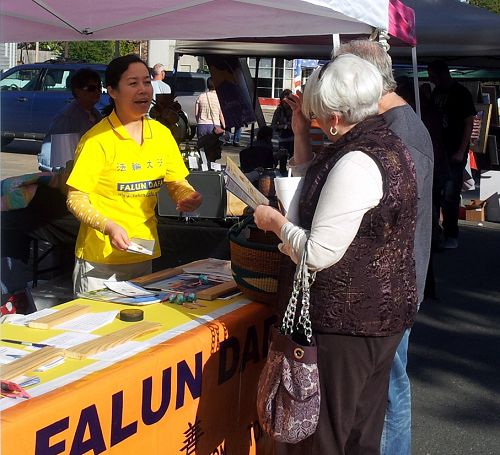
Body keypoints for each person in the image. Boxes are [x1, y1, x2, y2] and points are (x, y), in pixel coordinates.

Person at [254, 54, 418, 454]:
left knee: (323, 437)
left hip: (345, 320)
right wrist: (299, 137)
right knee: (359, 432)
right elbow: (315, 198)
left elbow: (317, 252)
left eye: (315, 114)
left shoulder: (357, 159)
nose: (314, 120)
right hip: (376, 316)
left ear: (333, 115)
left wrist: (274, 222)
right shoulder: (381, 141)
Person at [335, 40, 434, 455]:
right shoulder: (397, 124)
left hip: (390, 287)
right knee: (385, 389)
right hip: (393, 282)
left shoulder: (399, 133)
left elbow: (382, 218)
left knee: (388, 391)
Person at [66, 55, 202, 294]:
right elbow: (76, 198)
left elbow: (176, 181)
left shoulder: (161, 135)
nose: (143, 90)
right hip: (100, 261)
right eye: (133, 83)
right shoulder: (96, 141)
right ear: (112, 91)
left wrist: (187, 195)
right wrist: (108, 226)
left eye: (146, 82)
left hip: (142, 253)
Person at [428, 59, 476, 249]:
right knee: (436, 193)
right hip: (439, 151)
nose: (431, 79)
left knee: (450, 194)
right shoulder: (437, 92)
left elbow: (469, 122)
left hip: (453, 151)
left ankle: (451, 233)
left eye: (433, 75)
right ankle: (436, 232)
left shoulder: (460, 93)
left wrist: (460, 151)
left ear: (442, 74)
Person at [39, 68, 103, 171]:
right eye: (91, 88)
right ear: (78, 91)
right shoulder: (68, 118)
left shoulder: (96, 114)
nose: (97, 92)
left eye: (99, 88)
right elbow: (61, 160)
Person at [271, 89, 294, 175]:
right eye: (284, 101)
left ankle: (291, 175)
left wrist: (291, 125)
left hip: (293, 138)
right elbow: (273, 125)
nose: (286, 103)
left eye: (287, 101)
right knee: (282, 160)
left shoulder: (294, 109)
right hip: (282, 138)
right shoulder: (279, 110)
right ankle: (282, 174)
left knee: (293, 160)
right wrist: (283, 126)